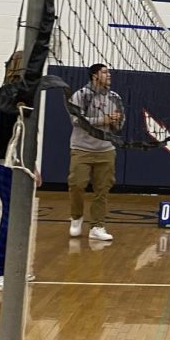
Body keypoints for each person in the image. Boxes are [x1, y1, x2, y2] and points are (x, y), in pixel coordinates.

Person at [0, 52, 41, 291]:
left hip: (19, 165)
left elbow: (23, 134)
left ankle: (12, 269)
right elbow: (8, 123)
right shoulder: (9, 92)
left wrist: (32, 165)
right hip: (6, 166)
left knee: (20, 219)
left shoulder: (22, 93)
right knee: (11, 218)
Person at [68, 63, 124, 243]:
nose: (109, 75)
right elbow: (76, 120)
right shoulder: (81, 95)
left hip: (106, 150)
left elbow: (120, 125)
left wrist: (115, 121)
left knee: (102, 190)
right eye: (105, 72)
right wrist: (104, 120)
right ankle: (76, 217)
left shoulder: (115, 97)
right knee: (77, 184)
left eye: (109, 72)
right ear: (94, 75)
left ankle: (97, 226)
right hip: (81, 148)